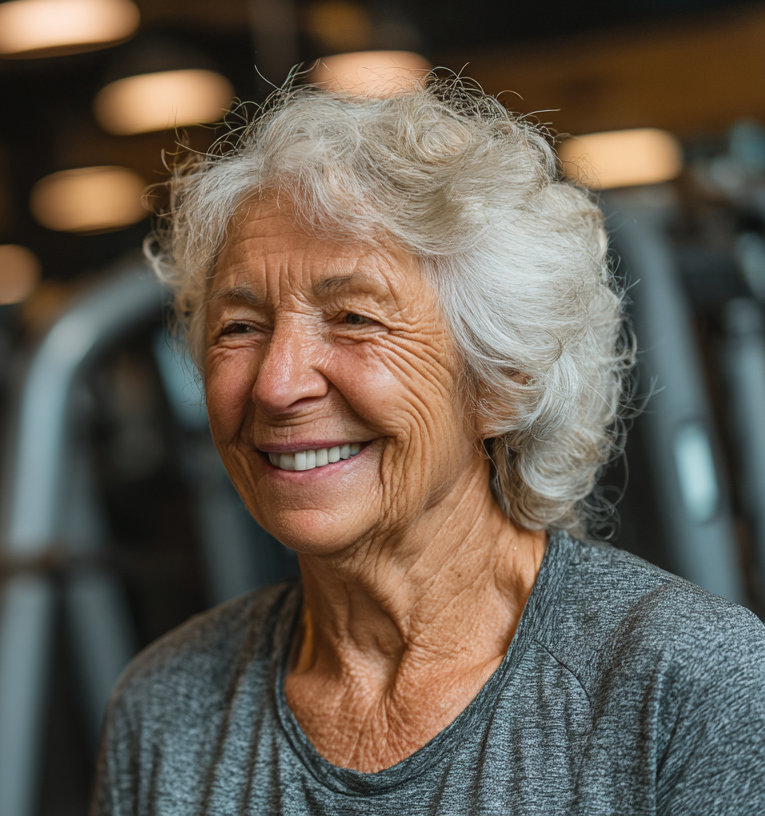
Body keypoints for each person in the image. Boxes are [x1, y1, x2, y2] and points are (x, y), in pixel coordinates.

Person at [92, 82, 765, 814]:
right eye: (240, 328)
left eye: (354, 318)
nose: (276, 385)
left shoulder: (693, 685)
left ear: (501, 381)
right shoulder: (165, 710)